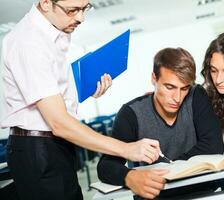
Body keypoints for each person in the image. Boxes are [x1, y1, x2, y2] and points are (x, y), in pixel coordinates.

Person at [0, 1, 161, 199]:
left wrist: (82, 90)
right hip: (38, 148)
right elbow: (58, 122)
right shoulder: (29, 41)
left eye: (85, 8)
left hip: (51, 145)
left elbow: (52, 95)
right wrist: (126, 149)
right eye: (72, 10)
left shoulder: (50, 35)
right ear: (45, 3)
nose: (80, 18)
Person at [97, 47, 224, 199]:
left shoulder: (196, 95)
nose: (177, 98)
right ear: (154, 79)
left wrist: (170, 168)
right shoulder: (130, 114)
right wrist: (129, 177)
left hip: (203, 192)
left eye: (184, 88)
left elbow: (214, 144)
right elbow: (105, 166)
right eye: (169, 87)